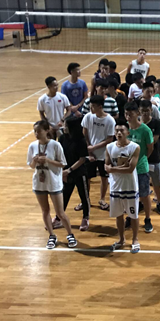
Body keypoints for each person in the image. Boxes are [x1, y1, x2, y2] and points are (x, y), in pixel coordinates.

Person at [27, 120, 77, 249]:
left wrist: (48, 160)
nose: (36, 134)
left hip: (54, 182)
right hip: (39, 183)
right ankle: (51, 235)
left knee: (60, 213)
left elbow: (62, 164)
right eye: (35, 131)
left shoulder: (55, 145)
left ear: (46, 131)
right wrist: (35, 161)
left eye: (39, 131)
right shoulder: (32, 146)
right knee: (45, 211)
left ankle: (70, 234)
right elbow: (31, 166)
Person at [104, 118, 142, 254]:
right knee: (118, 215)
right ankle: (121, 239)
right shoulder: (109, 147)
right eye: (117, 131)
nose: (119, 133)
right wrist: (121, 167)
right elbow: (106, 167)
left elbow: (130, 169)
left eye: (121, 130)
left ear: (128, 132)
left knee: (133, 215)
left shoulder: (135, 147)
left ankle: (135, 240)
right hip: (115, 187)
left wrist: (113, 169)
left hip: (130, 186)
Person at [124, 101, 154, 233]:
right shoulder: (124, 129)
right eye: (126, 114)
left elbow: (150, 149)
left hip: (141, 168)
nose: (128, 117)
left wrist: (141, 160)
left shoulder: (145, 130)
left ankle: (147, 219)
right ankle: (131, 216)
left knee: (144, 195)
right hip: (127, 169)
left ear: (137, 113)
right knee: (129, 195)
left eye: (130, 114)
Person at [81, 95, 116, 211]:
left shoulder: (110, 120)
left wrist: (94, 147)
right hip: (90, 154)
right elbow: (84, 133)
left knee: (104, 177)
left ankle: (102, 199)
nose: (90, 108)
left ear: (100, 107)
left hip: (103, 154)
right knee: (87, 177)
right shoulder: (88, 117)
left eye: (93, 106)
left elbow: (110, 139)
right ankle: (85, 200)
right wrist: (89, 149)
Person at [58, 116, 91, 232]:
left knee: (84, 196)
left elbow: (82, 159)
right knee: (64, 195)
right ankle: (58, 217)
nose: (63, 127)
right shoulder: (62, 138)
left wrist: (70, 170)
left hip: (79, 172)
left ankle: (86, 217)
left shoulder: (81, 140)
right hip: (66, 172)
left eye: (66, 125)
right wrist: (63, 171)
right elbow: (60, 155)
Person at [139, 100, 160, 215]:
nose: (145, 113)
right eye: (143, 111)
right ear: (139, 111)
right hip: (140, 160)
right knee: (141, 183)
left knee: (157, 182)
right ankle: (141, 203)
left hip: (154, 158)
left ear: (151, 110)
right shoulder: (137, 124)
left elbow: (154, 141)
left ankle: (159, 202)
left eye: (147, 110)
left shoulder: (156, 123)